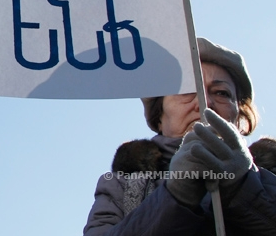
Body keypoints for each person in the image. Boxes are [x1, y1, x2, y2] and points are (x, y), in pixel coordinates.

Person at [84, 37, 276, 235]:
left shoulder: (270, 175)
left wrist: (244, 186)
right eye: (186, 91)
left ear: (239, 116)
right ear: (159, 115)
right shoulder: (121, 184)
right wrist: (175, 197)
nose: (205, 103)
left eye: (222, 93)